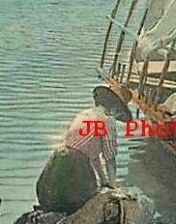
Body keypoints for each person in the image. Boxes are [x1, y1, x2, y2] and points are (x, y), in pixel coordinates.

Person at [35, 84, 133, 215]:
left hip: (56, 161)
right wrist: (113, 186)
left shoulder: (85, 114)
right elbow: (110, 158)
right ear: (115, 109)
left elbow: (93, 156)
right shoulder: (107, 121)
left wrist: (104, 181)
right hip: (75, 167)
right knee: (84, 202)